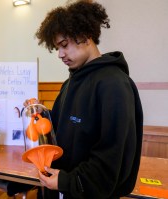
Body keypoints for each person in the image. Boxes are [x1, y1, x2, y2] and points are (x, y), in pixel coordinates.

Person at [25, 1, 144, 198]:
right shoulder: (70, 82)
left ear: (85, 35)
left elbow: (110, 158)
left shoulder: (114, 85)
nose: (60, 54)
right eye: (57, 47)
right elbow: (61, 129)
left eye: (64, 45)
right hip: (62, 188)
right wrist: (40, 115)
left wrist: (66, 181)